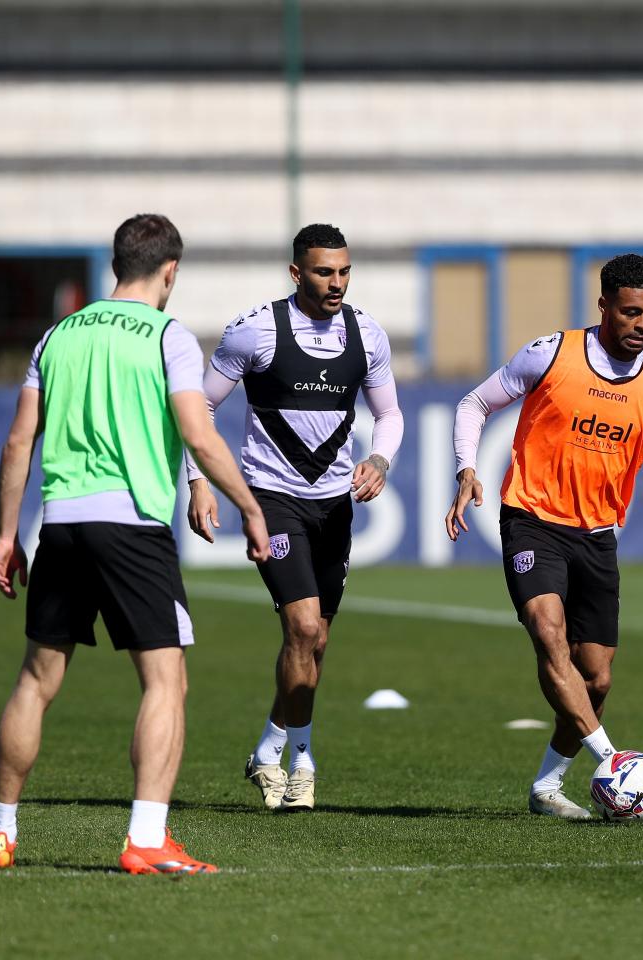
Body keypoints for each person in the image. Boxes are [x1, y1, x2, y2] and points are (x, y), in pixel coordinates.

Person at [0, 214, 270, 874]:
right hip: (133, 527)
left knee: (36, 678)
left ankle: (0, 833)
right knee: (165, 682)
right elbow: (199, 436)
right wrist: (250, 507)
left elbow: (18, 442)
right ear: (170, 271)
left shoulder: (57, 336)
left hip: (61, 524)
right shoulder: (170, 337)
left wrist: (7, 534)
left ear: (118, 264)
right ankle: (145, 838)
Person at [445, 253, 643, 819]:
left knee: (595, 677)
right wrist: (467, 468)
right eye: (630, 313)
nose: (641, 325)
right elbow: (475, 402)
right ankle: (623, 764)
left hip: (598, 536)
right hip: (531, 518)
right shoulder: (551, 354)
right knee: (548, 634)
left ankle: (547, 786)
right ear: (603, 306)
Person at [185, 223, 403, 812]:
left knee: (318, 640)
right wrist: (198, 481)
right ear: (295, 273)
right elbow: (199, 406)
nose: (336, 284)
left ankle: (268, 749)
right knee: (303, 630)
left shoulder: (367, 334)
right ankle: (303, 760)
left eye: (344, 272)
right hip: (270, 500)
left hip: (335, 504)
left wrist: (381, 458)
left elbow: (389, 415)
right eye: (323, 272)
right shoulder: (255, 330)